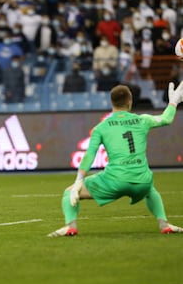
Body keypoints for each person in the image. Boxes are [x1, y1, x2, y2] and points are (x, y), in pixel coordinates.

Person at [48, 83, 183, 237]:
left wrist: (79, 180)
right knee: (150, 189)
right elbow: (167, 119)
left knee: (69, 193)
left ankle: (70, 227)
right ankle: (164, 224)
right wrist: (174, 102)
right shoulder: (142, 120)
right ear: (130, 101)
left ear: (111, 102)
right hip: (142, 182)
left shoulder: (101, 127)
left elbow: (90, 155)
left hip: (114, 182)